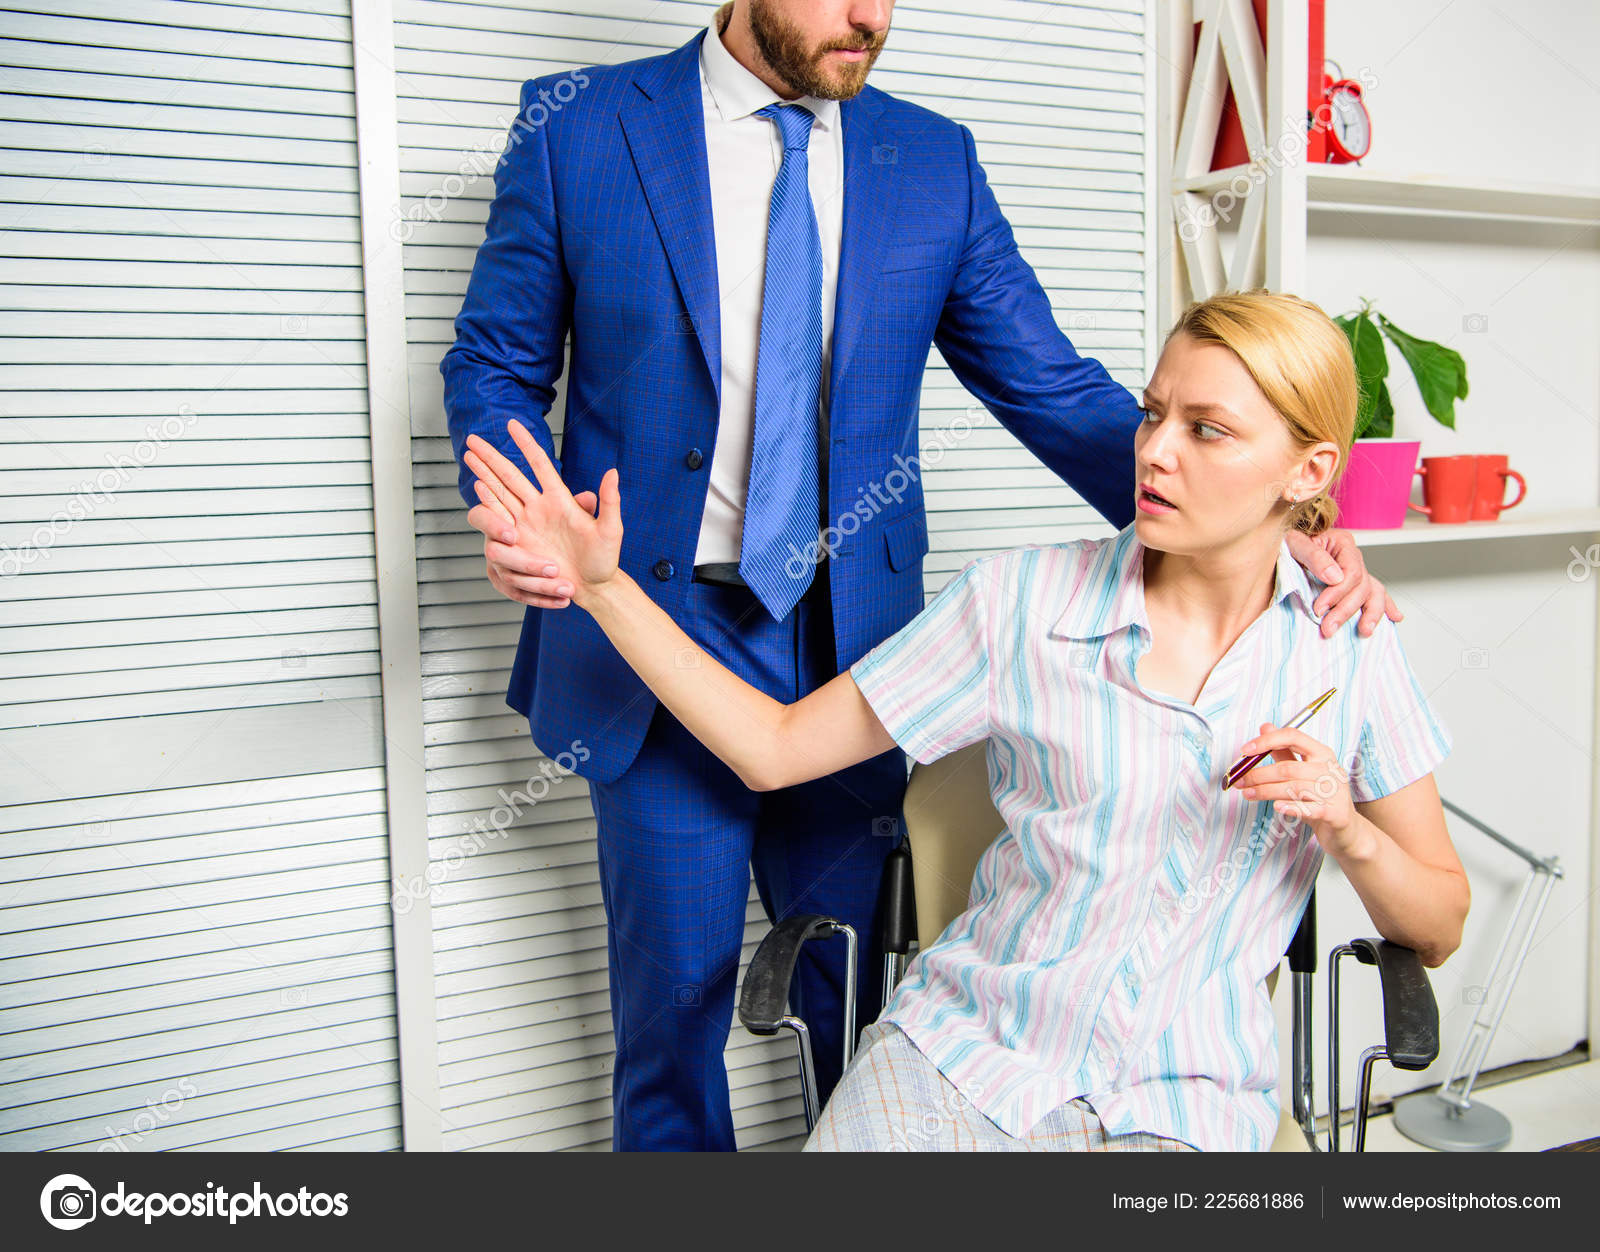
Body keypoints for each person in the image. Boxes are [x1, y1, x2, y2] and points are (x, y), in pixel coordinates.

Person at [439, 0, 1401, 1151]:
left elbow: (1047, 384)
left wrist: (1275, 522)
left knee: (852, 990)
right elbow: (493, 362)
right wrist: (527, 512)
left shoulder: (931, 158)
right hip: (649, 630)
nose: (871, 16)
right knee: (675, 1013)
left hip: (855, 639)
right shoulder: (581, 126)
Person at [460, 289, 1469, 1152]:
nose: (1154, 452)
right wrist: (605, 588)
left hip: (1185, 1102)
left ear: (1308, 472)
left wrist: (1345, 827)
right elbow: (773, 748)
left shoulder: (1347, 648)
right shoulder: (1020, 602)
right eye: (1152, 413)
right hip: (962, 1058)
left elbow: (1437, 924)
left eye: (1207, 430)